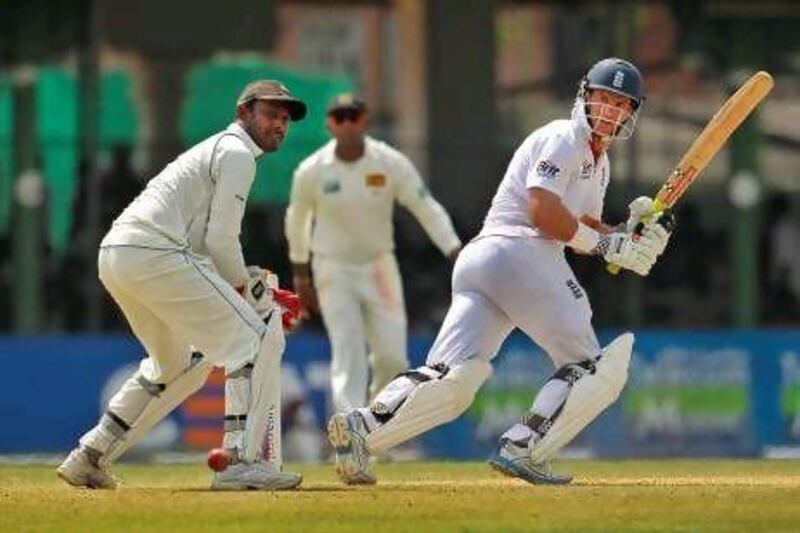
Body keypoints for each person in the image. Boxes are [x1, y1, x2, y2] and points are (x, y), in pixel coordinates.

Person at [326, 58, 674, 486]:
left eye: (620, 104)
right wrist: (607, 245)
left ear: (631, 114)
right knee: (588, 367)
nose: (609, 110)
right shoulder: (563, 138)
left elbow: (580, 226)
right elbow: (543, 211)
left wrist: (628, 234)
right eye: (603, 98)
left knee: (451, 380)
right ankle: (523, 446)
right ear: (584, 96)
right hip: (520, 251)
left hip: (486, 262)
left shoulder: (598, 165)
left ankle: (361, 429)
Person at [57, 80, 307, 491]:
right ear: (243, 113)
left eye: (285, 119)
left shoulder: (218, 151)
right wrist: (252, 291)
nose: (279, 124)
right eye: (270, 113)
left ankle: (90, 455)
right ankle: (241, 462)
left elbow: (204, 244)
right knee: (255, 341)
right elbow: (221, 241)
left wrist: (252, 285)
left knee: (175, 367)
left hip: (119, 254)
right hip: (155, 253)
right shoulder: (238, 152)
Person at [285, 94, 462, 414]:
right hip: (333, 268)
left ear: (366, 120)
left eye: (354, 116)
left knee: (392, 355)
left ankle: (379, 427)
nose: (348, 123)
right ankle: (349, 433)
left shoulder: (389, 162)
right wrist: (301, 274)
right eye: (340, 117)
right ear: (330, 124)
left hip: (379, 265)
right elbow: (297, 221)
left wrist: (454, 251)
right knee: (348, 350)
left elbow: (425, 207)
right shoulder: (312, 170)